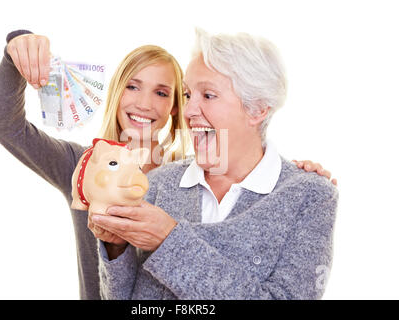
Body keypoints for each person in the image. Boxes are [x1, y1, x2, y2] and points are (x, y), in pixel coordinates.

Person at [0, 29, 335, 299]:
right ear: (117, 90)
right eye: (133, 86)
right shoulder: (83, 166)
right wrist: (17, 47)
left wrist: (296, 179)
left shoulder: (190, 173)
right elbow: (3, 123)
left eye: (164, 93)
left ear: (174, 109)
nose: (145, 103)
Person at [91, 29, 339, 299]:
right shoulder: (159, 182)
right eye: (186, 95)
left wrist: (169, 240)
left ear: (257, 109)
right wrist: (116, 248)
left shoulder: (309, 197)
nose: (187, 111)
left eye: (208, 95)